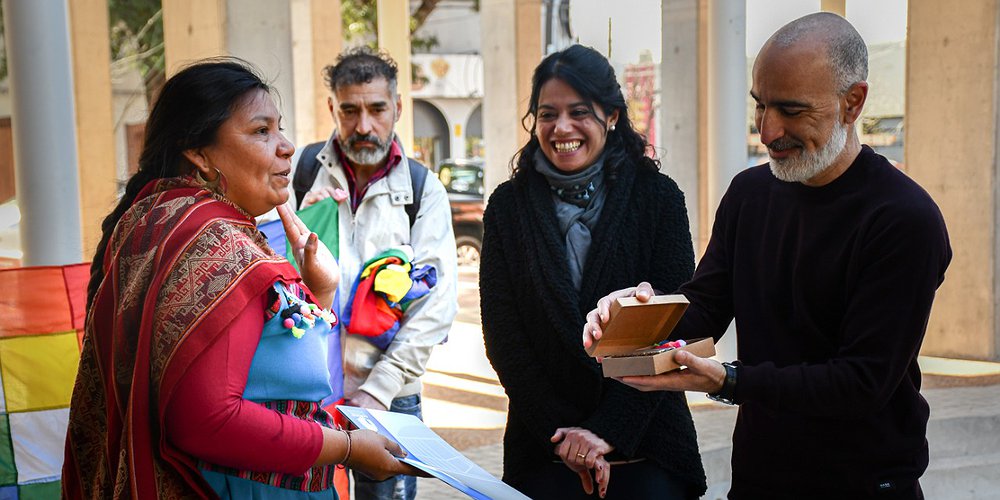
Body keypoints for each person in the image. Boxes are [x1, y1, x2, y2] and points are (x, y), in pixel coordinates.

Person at [583, 13, 951, 499]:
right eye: (760, 106)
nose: (768, 130)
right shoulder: (750, 194)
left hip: (864, 483)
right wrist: (637, 316)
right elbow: (708, 304)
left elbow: (862, 381)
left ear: (853, 102)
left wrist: (728, 380)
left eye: (792, 110)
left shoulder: (904, 218)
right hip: (759, 478)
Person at [62, 58, 421, 499]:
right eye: (261, 131)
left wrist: (319, 291)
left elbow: (261, 363)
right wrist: (347, 448)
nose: (286, 146)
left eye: (280, 128)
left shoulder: (153, 216)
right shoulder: (215, 244)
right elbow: (207, 420)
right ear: (198, 152)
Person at [480, 44, 707, 500]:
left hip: (648, 445)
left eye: (579, 111)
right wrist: (566, 438)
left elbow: (671, 327)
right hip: (544, 448)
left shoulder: (659, 199)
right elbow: (504, 339)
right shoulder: (508, 207)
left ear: (612, 116)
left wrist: (606, 432)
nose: (561, 128)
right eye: (547, 114)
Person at [297, 47, 457, 500]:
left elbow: (436, 307)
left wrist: (379, 390)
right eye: (350, 110)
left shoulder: (422, 191)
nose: (363, 126)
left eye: (376, 109)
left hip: (391, 396)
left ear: (398, 109)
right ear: (333, 109)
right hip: (308, 391)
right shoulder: (300, 175)